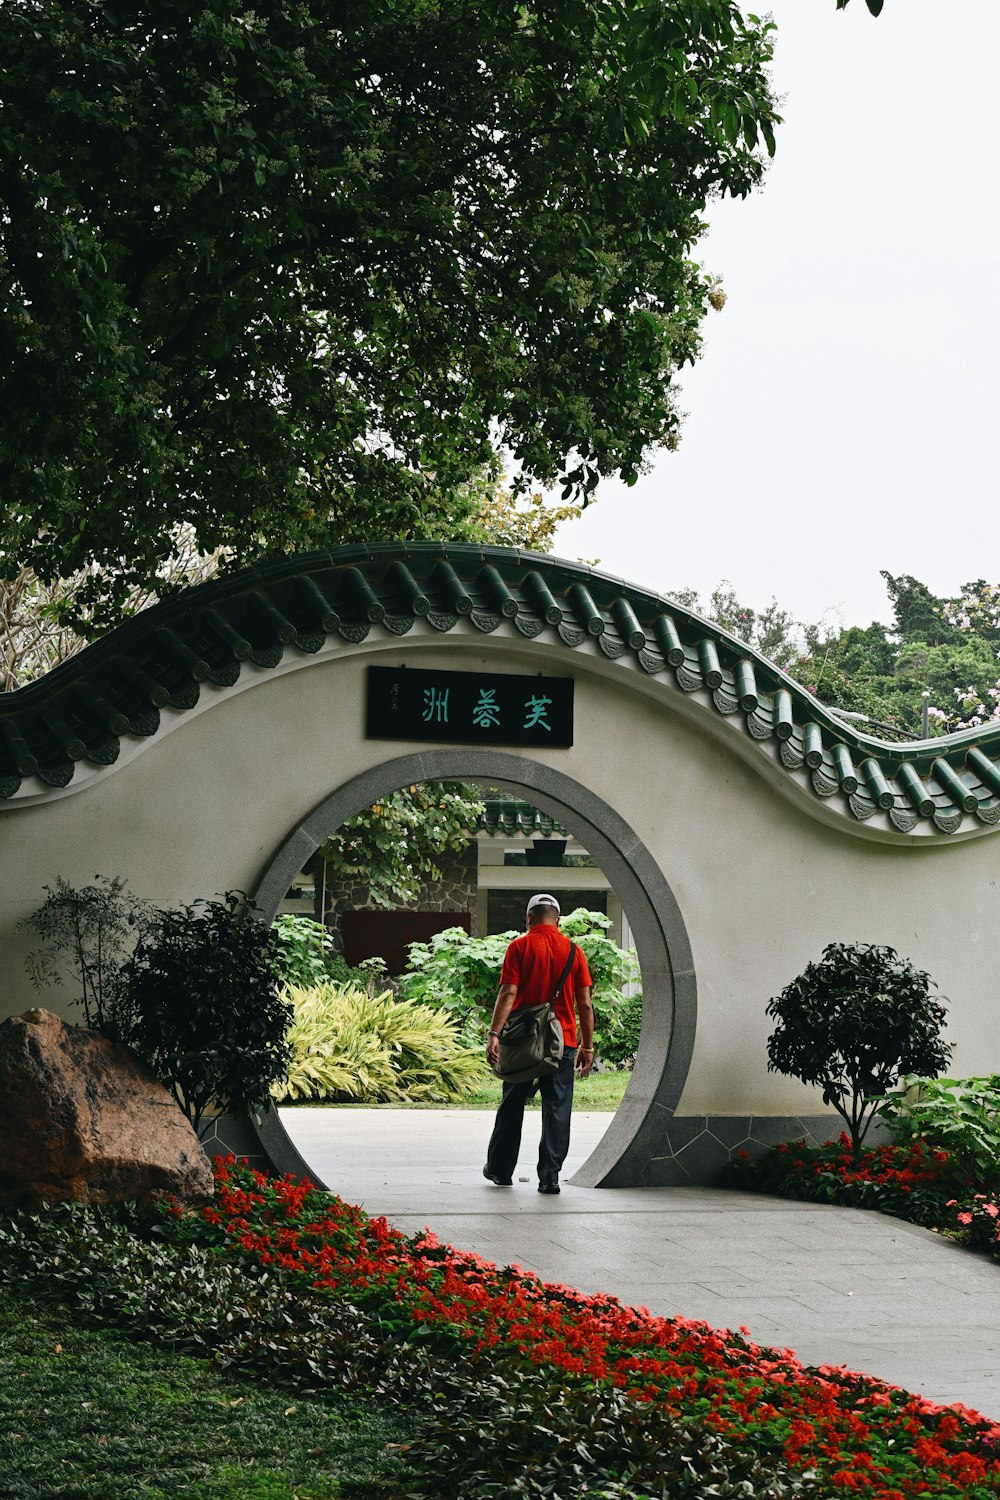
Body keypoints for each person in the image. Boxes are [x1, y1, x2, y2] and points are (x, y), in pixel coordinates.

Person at [483, 892, 595, 1195]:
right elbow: (584, 1003)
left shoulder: (519, 947)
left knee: (512, 1103)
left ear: (529, 918)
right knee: (557, 1108)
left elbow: (508, 992)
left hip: (522, 1041)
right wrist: (587, 1045)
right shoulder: (574, 951)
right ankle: (550, 1178)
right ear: (557, 919)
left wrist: (494, 1034)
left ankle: (500, 1170)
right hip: (564, 1041)